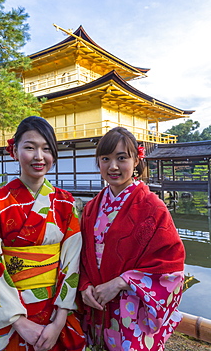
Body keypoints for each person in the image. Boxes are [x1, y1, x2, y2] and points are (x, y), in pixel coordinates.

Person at [0, 116, 86, 351]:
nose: (39, 156)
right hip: (7, 312)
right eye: (30, 147)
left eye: (47, 149)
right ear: (15, 151)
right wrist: (19, 322)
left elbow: (72, 263)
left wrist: (59, 320)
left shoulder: (65, 202)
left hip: (54, 311)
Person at [79, 127, 185, 351]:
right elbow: (82, 257)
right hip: (98, 303)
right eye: (105, 158)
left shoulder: (152, 207)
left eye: (122, 158)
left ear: (136, 160)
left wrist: (121, 282)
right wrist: (85, 285)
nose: (113, 166)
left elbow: (171, 265)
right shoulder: (91, 208)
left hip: (133, 309)